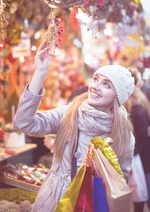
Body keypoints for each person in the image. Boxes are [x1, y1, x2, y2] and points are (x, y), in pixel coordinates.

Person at [14, 40, 135, 212]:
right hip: (55, 201)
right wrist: (40, 73)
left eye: (106, 85)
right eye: (96, 79)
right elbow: (24, 123)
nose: (95, 87)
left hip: (91, 204)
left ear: (118, 97)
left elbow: (120, 180)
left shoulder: (123, 134)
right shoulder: (69, 113)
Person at [125, 68, 150, 212]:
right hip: (143, 155)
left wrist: (132, 152)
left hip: (143, 157)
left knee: (143, 191)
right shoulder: (138, 99)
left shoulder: (134, 106)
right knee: (141, 192)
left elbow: (141, 133)